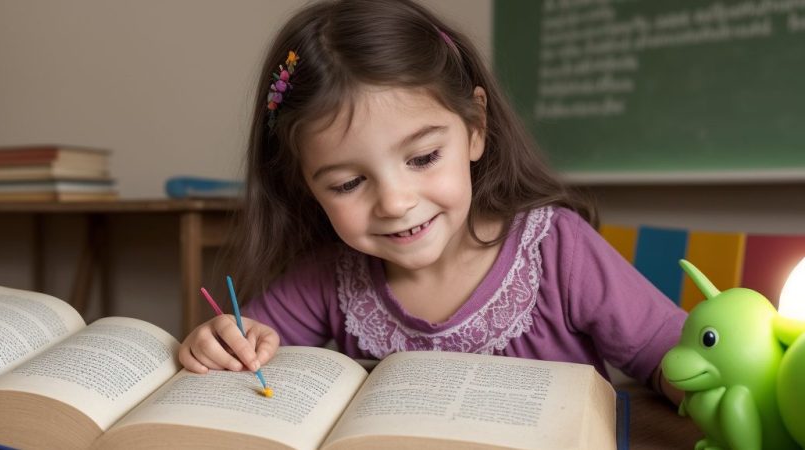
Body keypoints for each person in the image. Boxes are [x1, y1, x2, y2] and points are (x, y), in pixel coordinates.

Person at [179, 0, 686, 403]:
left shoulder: (557, 249)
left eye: (422, 158)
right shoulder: (328, 277)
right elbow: (251, 347)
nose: (396, 203)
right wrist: (225, 344)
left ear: (475, 128)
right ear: (305, 186)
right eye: (347, 184)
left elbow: (675, 360)